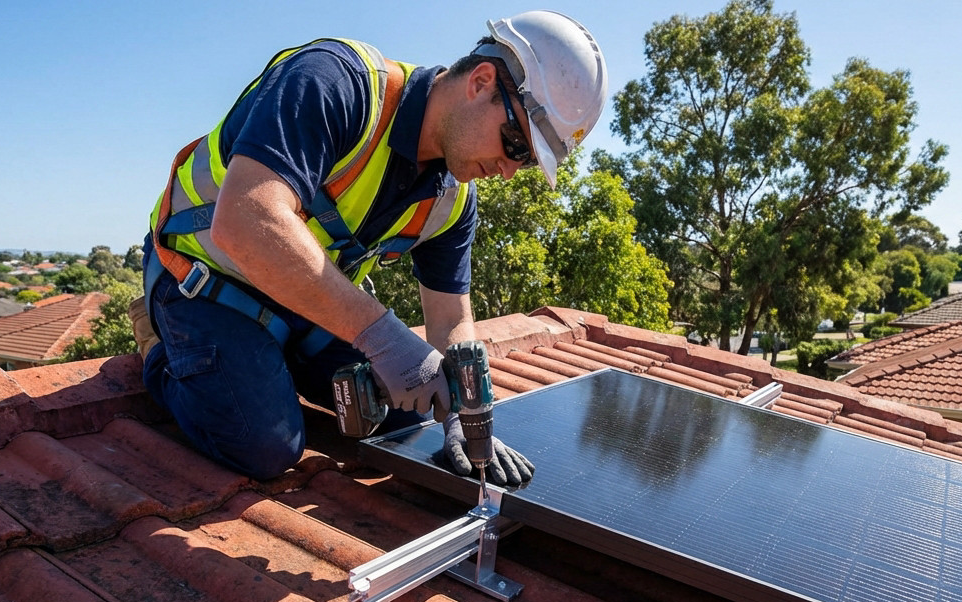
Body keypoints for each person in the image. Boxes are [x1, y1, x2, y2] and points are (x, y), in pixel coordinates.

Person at [130, 11, 608, 483]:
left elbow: (450, 320)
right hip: (204, 281)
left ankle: (267, 366)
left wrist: (463, 412)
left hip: (304, 309)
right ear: (481, 81)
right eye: (516, 145)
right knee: (267, 447)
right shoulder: (336, 82)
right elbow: (245, 219)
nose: (508, 170)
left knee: (411, 423)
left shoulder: (452, 200)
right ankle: (157, 347)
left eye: (525, 165)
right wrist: (383, 338)